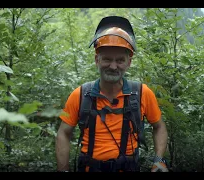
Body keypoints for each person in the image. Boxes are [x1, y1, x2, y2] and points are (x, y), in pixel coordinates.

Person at [55, 15, 169, 172]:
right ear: (97, 59)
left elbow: (159, 126)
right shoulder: (81, 95)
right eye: (107, 59)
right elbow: (63, 133)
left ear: (129, 62)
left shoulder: (142, 93)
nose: (113, 66)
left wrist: (159, 160)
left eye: (120, 60)